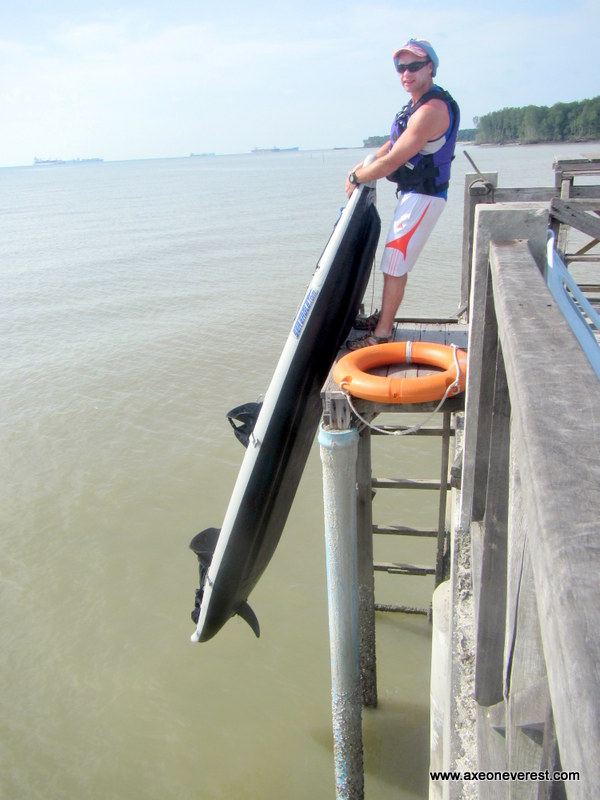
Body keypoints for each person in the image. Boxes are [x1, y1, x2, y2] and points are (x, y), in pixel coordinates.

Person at [345, 38, 459, 349]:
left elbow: (394, 160)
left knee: (395, 262)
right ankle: (384, 318)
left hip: (424, 197)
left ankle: (382, 333)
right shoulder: (415, 105)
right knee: (393, 261)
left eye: (414, 66)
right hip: (412, 194)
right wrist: (364, 164)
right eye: (401, 68)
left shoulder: (431, 110)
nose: (406, 73)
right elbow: (392, 145)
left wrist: (357, 177)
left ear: (430, 67)